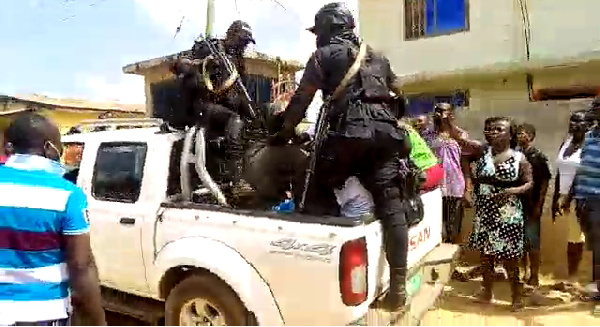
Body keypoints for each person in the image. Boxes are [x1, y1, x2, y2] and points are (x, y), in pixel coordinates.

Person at [269, 2, 411, 312]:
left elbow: (301, 100)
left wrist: (283, 133)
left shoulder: (322, 57)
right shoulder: (378, 57)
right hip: (387, 135)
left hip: (348, 134)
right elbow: (400, 99)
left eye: (318, 30)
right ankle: (398, 285)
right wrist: (386, 118)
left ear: (327, 28)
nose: (316, 36)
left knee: (311, 181)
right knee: (391, 204)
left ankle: (320, 271)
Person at [0, 113, 105, 325]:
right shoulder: (68, 195)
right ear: (49, 148)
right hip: (43, 313)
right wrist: (97, 321)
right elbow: (81, 267)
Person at [449, 116, 533, 311]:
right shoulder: (481, 153)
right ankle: (486, 291)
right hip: (485, 211)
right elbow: (463, 151)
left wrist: (511, 191)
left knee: (510, 257)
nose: (492, 132)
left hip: (508, 213)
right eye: (489, 129)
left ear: (510, 134)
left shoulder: (519, 157)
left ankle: (516, 295)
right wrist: (468, 187)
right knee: (486, 255)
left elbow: (529, 182)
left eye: (498, 129)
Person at [169, 20, 256, 189]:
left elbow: (239, 91)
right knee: (235, 121)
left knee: (255, 123)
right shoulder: (209, 48)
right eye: (242, 41)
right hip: (203, 107)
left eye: (246, 43)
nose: (243, 46)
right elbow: (178, 66)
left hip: (225, 108)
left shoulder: (237, 61)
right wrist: (202, 64)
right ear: (232, 35)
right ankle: (238, 180)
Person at [551, 110, 589, 291]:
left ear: (587, 125)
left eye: (579, 121)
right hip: (565, 199)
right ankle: (572, 278)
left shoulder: (590, 146)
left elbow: (583, 174)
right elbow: (560, 172)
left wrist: (568, 198)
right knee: (573, 239)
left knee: (582, 238)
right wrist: (556, 198)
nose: (574, 124)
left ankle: (579, 280)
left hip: (583, 197)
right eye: (572, 120)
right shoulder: (565, 143)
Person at [425, 103, 468, 243]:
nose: (440, 114)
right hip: (436, 185)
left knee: (454, 225)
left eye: (444, 111)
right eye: (437, 111)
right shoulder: (427, 135)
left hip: (456, 185)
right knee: (438, 224)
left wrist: (468, 187)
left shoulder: (461, 135)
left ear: (451, 115)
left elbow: (465, 162)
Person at [515, 123, 551, 287]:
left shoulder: (538, 156)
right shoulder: (515, 154)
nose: (519, 136)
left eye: (522, 133)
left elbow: (544, 182)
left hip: (532, 204)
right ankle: (524, 272)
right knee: (520, 242)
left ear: (531, 135)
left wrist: (539, 205)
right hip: (517, 204)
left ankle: (535, 275)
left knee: (533, 242)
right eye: (518, 134)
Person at [573, 99, 600, 314]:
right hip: (584, 199)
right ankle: (598, 290)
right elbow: (582, 167)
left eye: (597, 107)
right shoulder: (590, 136)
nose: (593, 110)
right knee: (596, 248)